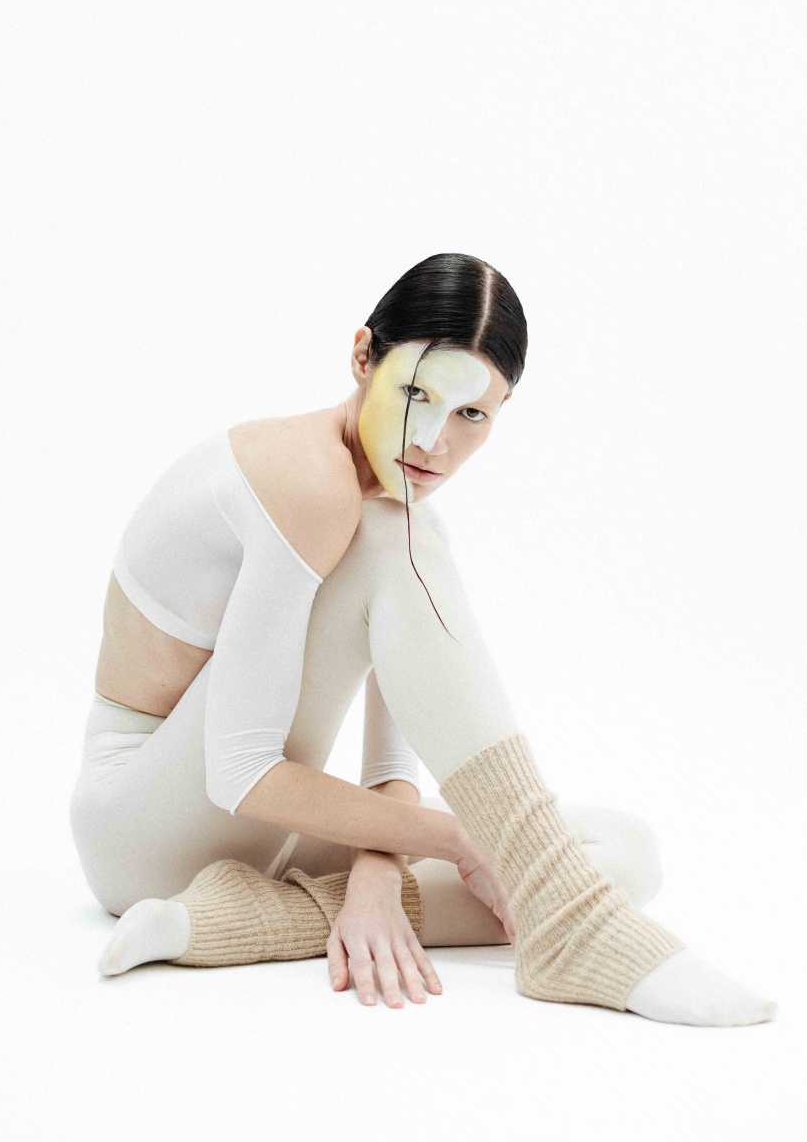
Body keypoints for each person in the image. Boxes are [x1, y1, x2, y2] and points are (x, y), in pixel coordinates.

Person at [69, 252, 776, 1024]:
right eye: (415, 394)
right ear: (361, 357)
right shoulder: (307, 482)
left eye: (471, 415)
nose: (434, 441)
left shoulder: (389, 507)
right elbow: (240, 774)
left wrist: (376, 878)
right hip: (143, 826)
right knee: (396, 546)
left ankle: (225, 922)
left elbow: (388, 762)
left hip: (245, 835)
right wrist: (463, 842)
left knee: (625, 851)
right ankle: (571, 927)